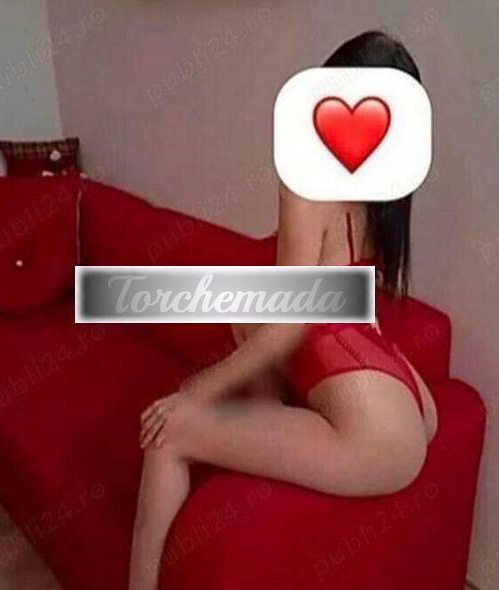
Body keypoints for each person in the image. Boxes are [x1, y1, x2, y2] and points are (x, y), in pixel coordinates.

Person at [128, 30, 438, 590]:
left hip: (377, 433)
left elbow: (288, 325)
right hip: (411, 405)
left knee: (166, 435)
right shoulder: (385, 185)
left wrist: (193, 393)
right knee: (248, 312)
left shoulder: (308, 180)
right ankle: (268, 429)